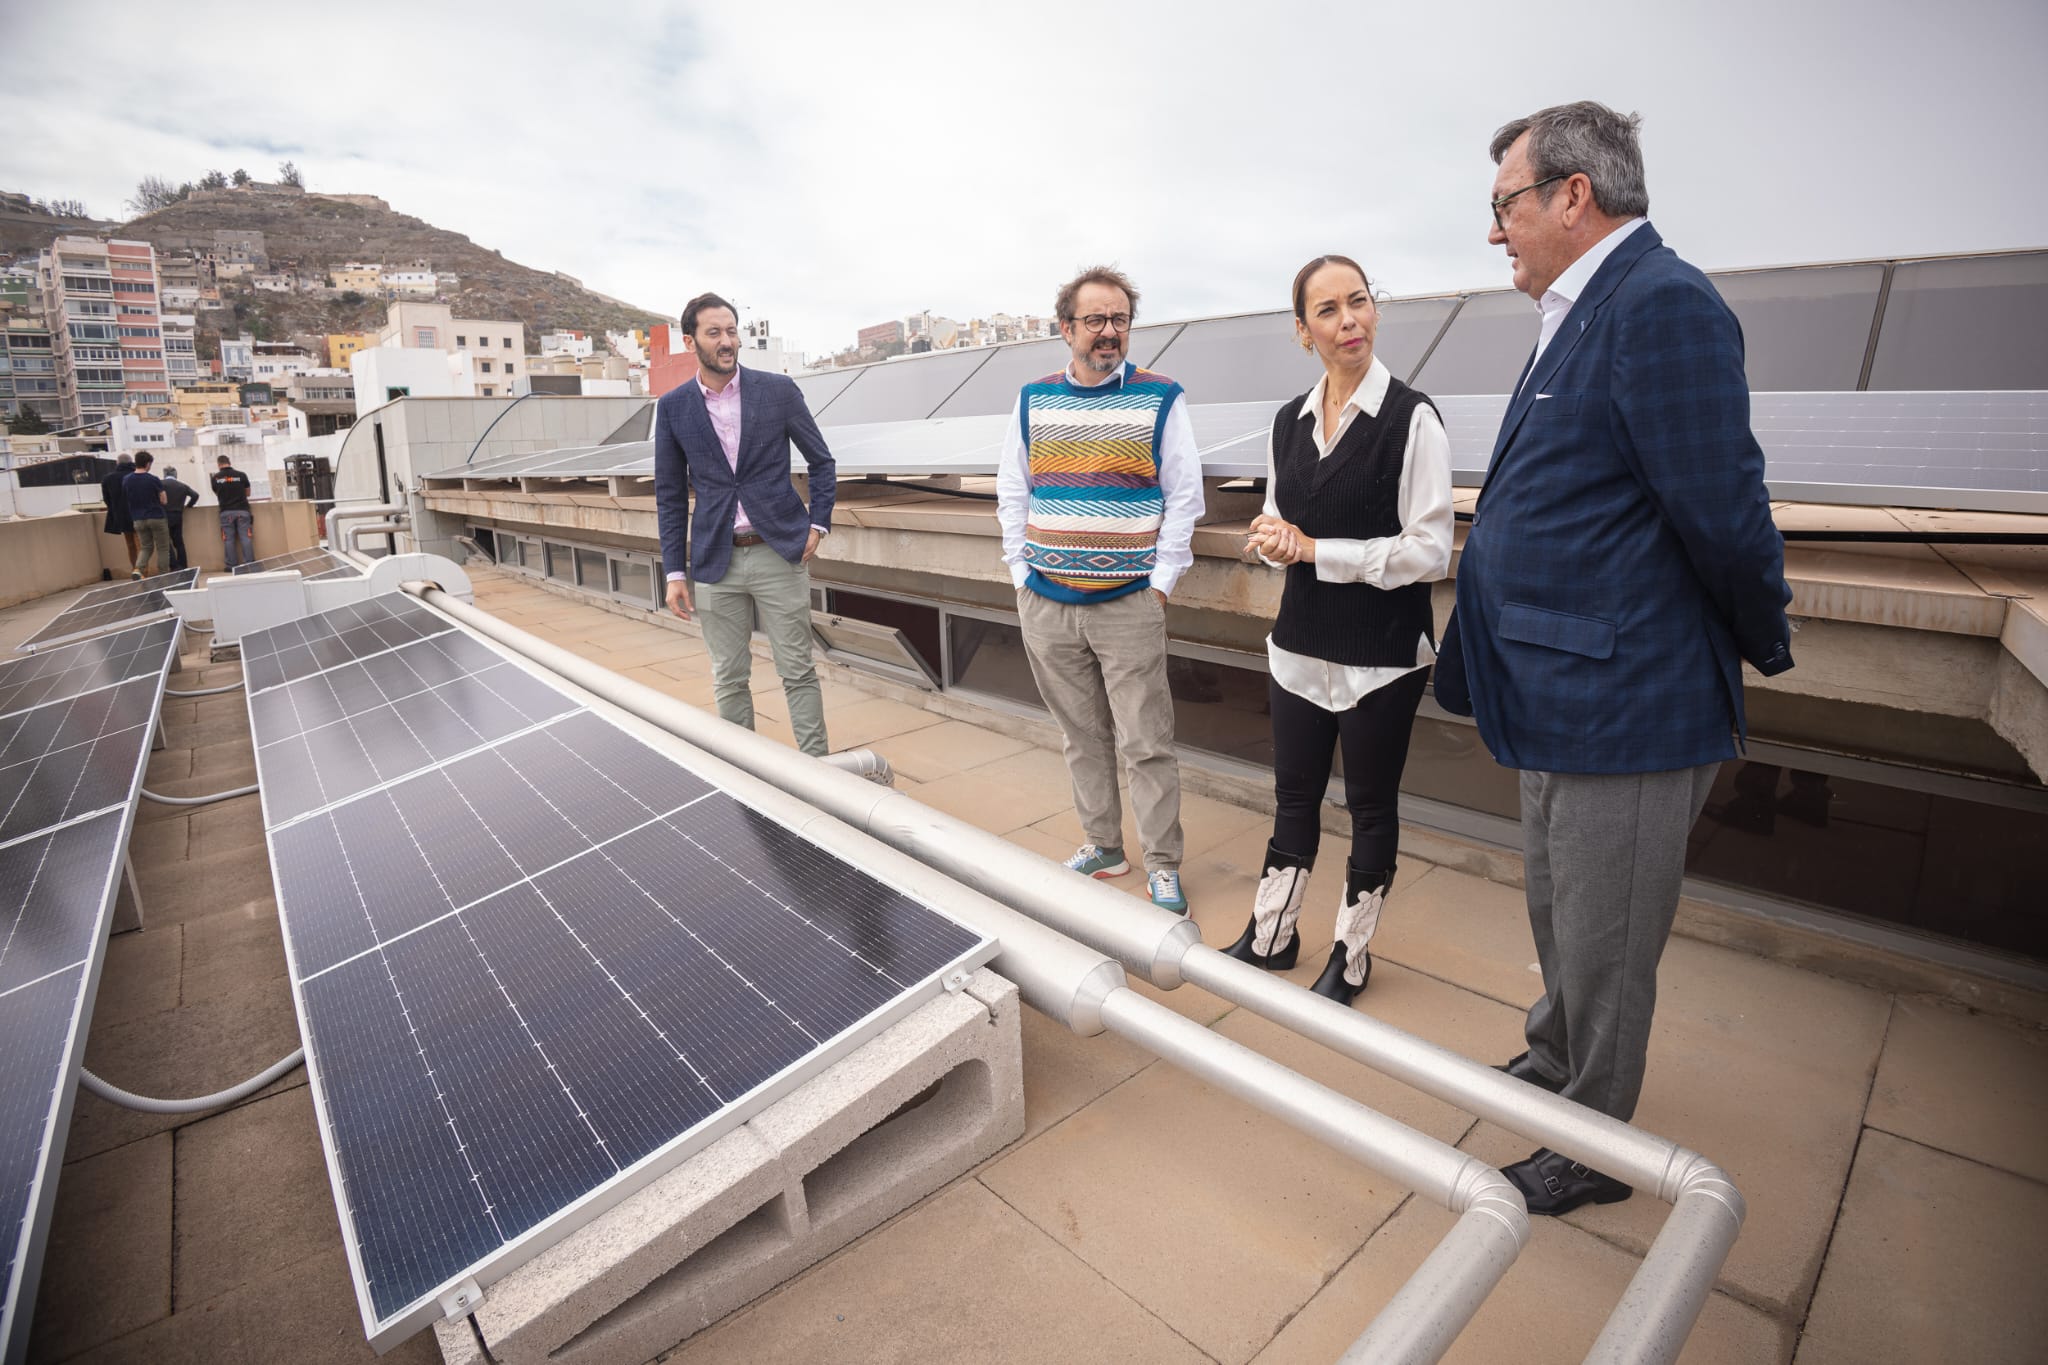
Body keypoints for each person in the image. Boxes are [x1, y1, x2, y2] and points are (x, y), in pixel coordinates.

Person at [1434, 101, 1794, 1215]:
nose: (1494, 231)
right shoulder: (1580, 312)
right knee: (1560, 913)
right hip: (1560, 688)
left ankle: (1590, 1143)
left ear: (1570, 197)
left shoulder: (1662, 305)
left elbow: (1721, 511)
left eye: (1504, 204)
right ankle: (1553, 1064)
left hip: (1628, 698)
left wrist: (1754, 638)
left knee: (1603, 932)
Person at [1223, 255, 1453, 1003]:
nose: (1348, 319)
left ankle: (1350, 957)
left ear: (1374, 313)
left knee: (1370, 809)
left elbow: (1430, 550)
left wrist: (1319, 551)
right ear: (1303, 331)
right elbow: (1276, 515)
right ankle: (1271, 934)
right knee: (1292, 799)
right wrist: (1270, 536)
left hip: (1380, 659)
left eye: (1358, 302)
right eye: (1328, 309)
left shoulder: (1414, 418)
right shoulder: (1287, 422)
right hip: (1298, 647)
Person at [996, 265, 1203, 913]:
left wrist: (1159, 585)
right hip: (1047, 602)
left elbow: (1185, 494)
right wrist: (1021, 574)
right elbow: (1012, 489)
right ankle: (1104, 846)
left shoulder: (1161, 397)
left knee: (1146, 742)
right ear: (1066, 329)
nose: (1109, 332)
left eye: (1119, 319)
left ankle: (1163, 864)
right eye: (1095, 320)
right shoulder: (1032, 399)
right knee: (1079, 734)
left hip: (1128, 602)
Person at [655, 292, 837, 757]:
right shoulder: (673, 407)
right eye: (714, 332)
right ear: (690, 339)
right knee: (729, 678)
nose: (726, 341)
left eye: (732, 331)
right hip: (716, 561)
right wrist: (675, 572)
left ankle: (818, 772)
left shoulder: (777, 391)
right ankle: (747, 774)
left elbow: (821, 461)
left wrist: (818, 524)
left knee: (797, 670)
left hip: (780, 551)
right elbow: (671, 495)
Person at [124, 451, 171, 578]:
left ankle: (138, 569)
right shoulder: (153, 479)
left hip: (138, 519)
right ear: (148, 464)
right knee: (162, 548)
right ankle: (163, 574)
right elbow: (164, 500)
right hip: (156, 517)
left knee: (146, 547)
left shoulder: (127, 480)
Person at [212, 453, 254, 569]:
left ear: (219, 464)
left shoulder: (215, 478)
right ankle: (249, 564)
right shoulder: (241, 475)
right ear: (229, 463)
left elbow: (217, 494)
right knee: (245, 537)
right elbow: (248, 493)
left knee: (228, 539)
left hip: (226, 512)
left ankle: (231, 565)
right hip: (242, 510)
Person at [100, 456, 138, 578]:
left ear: (117, 463)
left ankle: (135, 569)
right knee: (141, 544)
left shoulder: (108, 478)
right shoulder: (137, 475)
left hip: (121, 516)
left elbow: (107, 500)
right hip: (138, 513)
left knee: (130, 544)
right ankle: (143, 569)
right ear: (131, 462)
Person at [161, 464, 200, 571]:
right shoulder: (182, 486)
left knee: (165, 542)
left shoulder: (160, 484)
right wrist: (189, 505)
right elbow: (195, 495)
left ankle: (174, 566)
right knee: (179, 541)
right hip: (178, 515)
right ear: (176, 474)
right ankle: (183, 564)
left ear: (164, 474)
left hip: (163, 515)